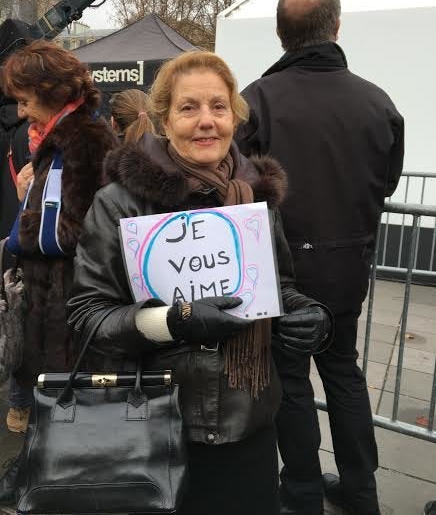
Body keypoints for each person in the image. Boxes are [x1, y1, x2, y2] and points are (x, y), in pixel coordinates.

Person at [67, 50, 333, 515]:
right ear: (163, 121)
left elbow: (277, 286)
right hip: (154, 423)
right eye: (189, 108)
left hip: (246, 421)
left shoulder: (254, 199)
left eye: (218, 106)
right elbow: (88, 315)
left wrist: (308, 314)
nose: (206, 121)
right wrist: (173, 321)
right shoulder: (120, 204)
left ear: (235, 117)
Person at [236, 0, 404, 515]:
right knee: (343, 372)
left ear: (282, 35)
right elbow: (388, 182)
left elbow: (235, 189)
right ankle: (360, 490)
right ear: (335, 25)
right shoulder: (378, 102)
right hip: (348, 267)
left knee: (291, 382)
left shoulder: (256, 101)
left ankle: (303, 492)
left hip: (281, 272)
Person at [0, 39, 118, 507]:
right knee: (53, 395)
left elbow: (84, 229)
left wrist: (19, 236)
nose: (22, 110)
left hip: (71, 302)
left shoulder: (84, 140)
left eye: (25, 99)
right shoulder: (62, 137)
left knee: (67, 397)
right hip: (53, 300)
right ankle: (43, 470)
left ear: (49, 90)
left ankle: (57, 478)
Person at [0, 92, 34, 434]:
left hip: (15, 232)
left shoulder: (20, 133)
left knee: (18, 321)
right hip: (27, 232)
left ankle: (19, 407)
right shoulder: (34, 133)